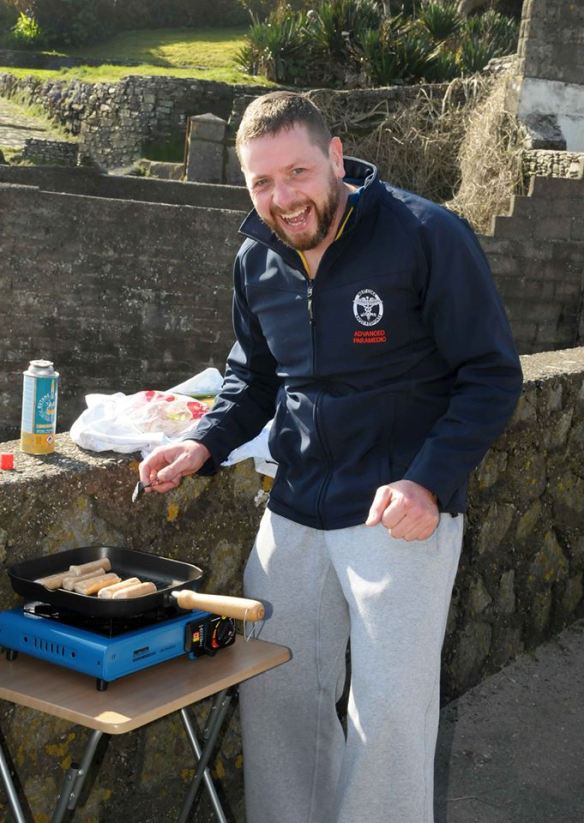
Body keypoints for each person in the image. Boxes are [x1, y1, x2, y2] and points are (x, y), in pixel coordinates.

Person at [139, 91, 523, 823]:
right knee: (277, 696)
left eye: (298, 172)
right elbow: (251, 375)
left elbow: (490, 373)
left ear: (337, 158)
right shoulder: (256, 255)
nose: (282, 198)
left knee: (388, 724)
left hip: (399, 514)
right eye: (261, 182)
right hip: (295, 511)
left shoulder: (426, 233)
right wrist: (202, 441)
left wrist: (428, 482)